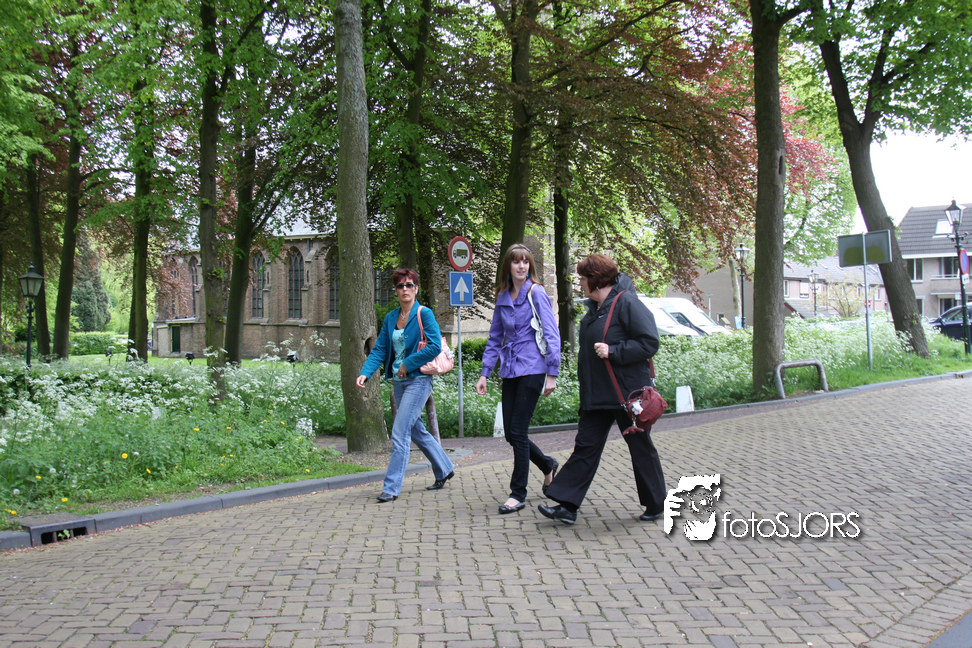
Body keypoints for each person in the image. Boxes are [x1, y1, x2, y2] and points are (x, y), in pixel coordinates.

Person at [539, 254, 666, 524]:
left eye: (583, 278)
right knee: (585, 447)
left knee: (640, 448)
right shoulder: (595, 309)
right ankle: (567, 505)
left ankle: (656, 503)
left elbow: (649, 342)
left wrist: (614, 351)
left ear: (595, 279)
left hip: (625, 394)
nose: (580, 283)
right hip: (597, 395)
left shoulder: (626, 303)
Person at [356, 268, 455, 503]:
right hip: (399, 384)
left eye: (409, 285)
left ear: (416, 289)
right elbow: (380, 349)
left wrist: (407, 364)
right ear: (396, 291)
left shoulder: (424, 313)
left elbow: (434, 346)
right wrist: (365, 373)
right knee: (416, 430)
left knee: (400, 433)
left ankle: (391, 488)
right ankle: (444, 468)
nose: (405, 289)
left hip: (419, 381)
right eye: (400, 286)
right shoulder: (391, 318)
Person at [476, 244, 561, 514]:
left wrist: (552, 373)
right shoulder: (503, 296)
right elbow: (495, 337)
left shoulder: (536, 293)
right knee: (511, 434)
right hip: (510, 369)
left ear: (530, 266)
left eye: (526, 262)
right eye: (516, 262)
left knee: (519, 432)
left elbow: (551, 332)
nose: (521, 266)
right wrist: (484, 372)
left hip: (533, 368)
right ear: (508, 266)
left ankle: (518, 493)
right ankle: (547, 465)